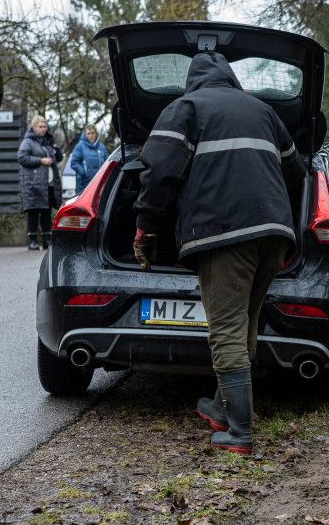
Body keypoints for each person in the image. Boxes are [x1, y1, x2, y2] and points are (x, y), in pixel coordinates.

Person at [132, 51, 304, 455]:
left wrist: (145, 224)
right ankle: (221, 409)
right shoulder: (263, 111)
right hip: (275, 233)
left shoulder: (186, 107)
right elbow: (296, 173)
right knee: (245, 322)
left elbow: (159, 173)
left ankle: (240, 434)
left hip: (224, 233)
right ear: (229, 77)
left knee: (225, 329)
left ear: (193, 80)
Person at [18, 115, 63, 251]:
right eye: (40, 126)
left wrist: (56, 149)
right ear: (33, 127)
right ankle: (32, 241)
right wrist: (40, 161)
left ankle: (47, 240)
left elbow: (58, 159)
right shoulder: (28, 142)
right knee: (33, 211)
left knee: (46, 210)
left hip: (48, 183)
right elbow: (22, 158)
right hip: (34, 183)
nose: (43, 129)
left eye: (45, 127)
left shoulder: (48, 141)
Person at [70, 124, 109, 194]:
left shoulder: (102, 147)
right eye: (88, 133)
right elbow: (74, 163)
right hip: (84, 184)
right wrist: (84, 172)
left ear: (96, 134)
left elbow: (108, 162)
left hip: (99, 183)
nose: (91, 135)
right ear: (85, 135)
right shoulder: (80, 146)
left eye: (93, 133)